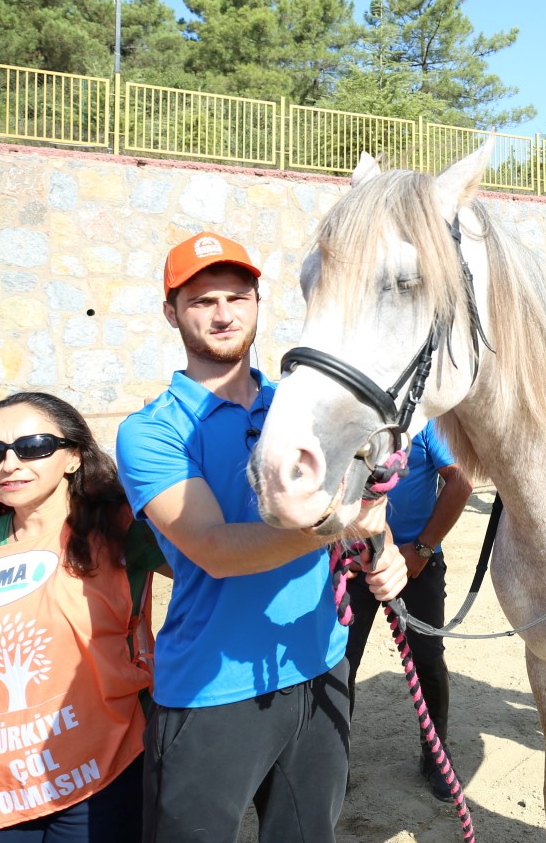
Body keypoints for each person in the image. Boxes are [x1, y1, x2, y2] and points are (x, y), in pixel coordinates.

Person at [115, 231, 405, 843]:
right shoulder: (151, 432)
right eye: (202, 301)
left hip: (320, 666)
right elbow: (215, 550)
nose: (223, 314)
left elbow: (362, 512)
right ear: (171, 312)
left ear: (257, 304)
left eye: (237, 297)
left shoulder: (296, 409)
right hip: (211, 687)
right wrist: (339, 521)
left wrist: (384, 548)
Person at [0, 391, 161, 842]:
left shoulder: (122, 530)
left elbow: (211, 560)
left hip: (101, 769)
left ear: (73, 457)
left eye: (33, 446)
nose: (9, 464)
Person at [342, 423, 473, 802]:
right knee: (341, 662)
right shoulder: (353, 411)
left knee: (428, 660)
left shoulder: (431, 421)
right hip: (356, 560)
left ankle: (435, 754)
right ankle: (333, 757)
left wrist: (423, 549)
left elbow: (460, 482)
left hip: (415, 562)